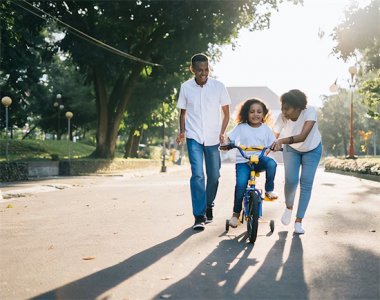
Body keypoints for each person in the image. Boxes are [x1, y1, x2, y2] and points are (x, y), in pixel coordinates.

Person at [176, 53, 231, 231]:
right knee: (198, 175)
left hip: (213, 138)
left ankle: (208, 205)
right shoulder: (186, 87)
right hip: (194, 137)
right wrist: (182, 131)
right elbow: (183, 113)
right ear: (192, 69)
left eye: (206, 69)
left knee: (214, 175)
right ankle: (199, 216)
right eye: (200, 70)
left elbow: (226, 113)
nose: (204, 73)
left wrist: (222, 132)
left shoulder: (218, 87)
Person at [271, 89, 322, 234]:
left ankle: (299, 221)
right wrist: (268, 148)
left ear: (299, 107)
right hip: (291, 150)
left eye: (287, 108)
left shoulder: (309, 112)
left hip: (312, 149)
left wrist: (281, 140)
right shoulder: (282, 117)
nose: (284, 111)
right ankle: (289, 207)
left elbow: (302, 136)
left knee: (306, 183)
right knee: (291, 180)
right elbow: (273, 136)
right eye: (282, 107)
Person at [225, 99, 278, 228]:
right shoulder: (241, 127)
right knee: (241, 185)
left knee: (272, 163)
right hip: (243, 161)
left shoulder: (266, 129)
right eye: (252, 112)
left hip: (259, 159)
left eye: (259, 112)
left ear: (264, 114)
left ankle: (269, 190)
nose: (256, 114)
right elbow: (229, 138)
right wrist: (227, 144)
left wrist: (275, 146)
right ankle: (235, 215)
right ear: (246, 113)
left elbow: (273, 142)